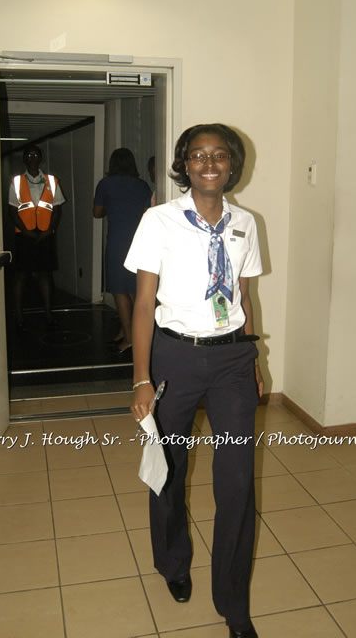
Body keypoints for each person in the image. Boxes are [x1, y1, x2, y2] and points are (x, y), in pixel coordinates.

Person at [125, 124, 263, 638]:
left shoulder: (247, 223)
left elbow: (246, 299)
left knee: (237, 485)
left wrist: (253, 355)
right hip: (174, 358)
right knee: (171, 468)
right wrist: (141, 378)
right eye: (198, 155)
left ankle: (234, 605)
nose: (210, 162)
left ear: (232, 164)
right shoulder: (157, 221)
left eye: (220, 155)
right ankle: (173, 562)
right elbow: (143, 304)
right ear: (184, 164)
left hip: (231, 361)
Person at [93, 148, 151, 353]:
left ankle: (130, 338)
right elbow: (148, 214)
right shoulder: (143, 186)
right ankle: (134, 334)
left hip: (118, 242)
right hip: (139, 242)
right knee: (136, 292)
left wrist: (113, 205)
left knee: (119, 291)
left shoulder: (105, 184)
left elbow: (97, 212)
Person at [8, 145, 65, 330]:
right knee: (21, 275)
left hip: (46, 234)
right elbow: (12, 210)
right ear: (24, 159)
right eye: (29, 155)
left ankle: (48, 314)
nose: (32, 157)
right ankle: (18, 315)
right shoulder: (16, 182)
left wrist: (50, 229)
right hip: (25, 235)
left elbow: (57, 208)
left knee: (45, 275)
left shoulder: (52, 181)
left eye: (35, 155)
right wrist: (25, 231)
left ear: (40, 158)